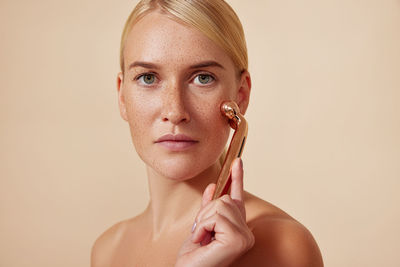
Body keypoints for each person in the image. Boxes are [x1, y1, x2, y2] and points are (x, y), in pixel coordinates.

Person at [91, 0, 324, 266]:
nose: (175, 111)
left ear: (240, 95)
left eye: (203, 78)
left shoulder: (284, 246)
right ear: (122, 96)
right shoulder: (108, 250)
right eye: (148, 78)